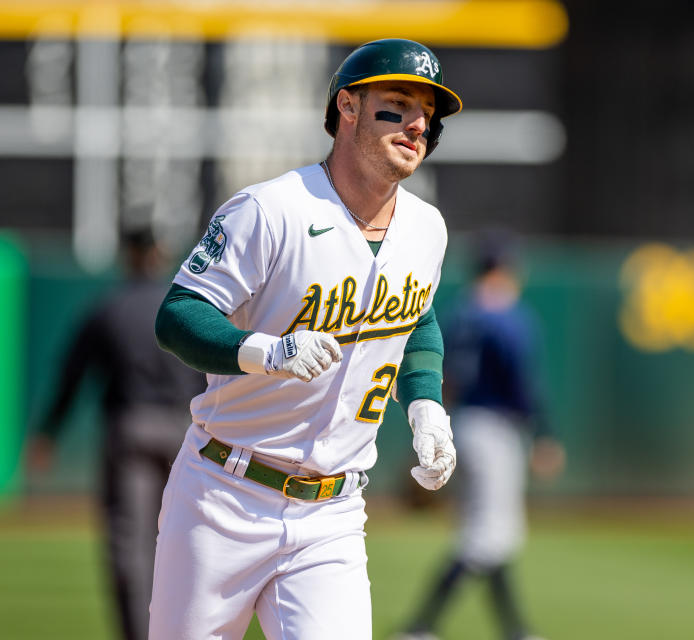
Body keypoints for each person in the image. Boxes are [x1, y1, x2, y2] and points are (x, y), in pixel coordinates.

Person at [149, 38, 460, 639]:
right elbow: (179, 314)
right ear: (348, 107)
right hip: (224, 495)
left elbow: (417, 317)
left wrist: (424, 403)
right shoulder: (269, 209)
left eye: (429, 113)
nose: (418, 123)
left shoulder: (427, 227)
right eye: (398, 103)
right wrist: (265, 351)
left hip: (334, 513)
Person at [27, 228, 207, 640]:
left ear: (128, 255)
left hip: (130, 430)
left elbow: (70, 377)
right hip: (185, 432)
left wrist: (48, 433)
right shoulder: (184, 309)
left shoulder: (107, 308)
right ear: (160, 254)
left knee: (130, 544)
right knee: (187, 540)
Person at [394, 234, 565, 640]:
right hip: (496, 431)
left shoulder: (458, 316)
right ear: (505, 270)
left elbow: (445, 377)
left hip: (461, 426)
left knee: (491, 530)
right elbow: (525, 384)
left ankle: (515, 629)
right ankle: (420, 627)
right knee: (488, 535)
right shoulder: (509, 317)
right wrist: (545, 435)